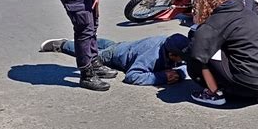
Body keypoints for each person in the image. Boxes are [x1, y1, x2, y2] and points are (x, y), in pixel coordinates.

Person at [187, 0, 258, 107]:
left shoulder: (218, 20)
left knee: (203, 49)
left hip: (246, 83)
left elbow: (197, 53)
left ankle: (214, 94)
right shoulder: (247, 12)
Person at [39, 34, 189, 86]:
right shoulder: (152, 56)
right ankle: (63, 44)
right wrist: (161, 77)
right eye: (179, 59)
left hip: (127, 47)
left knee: (109, 45)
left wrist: (180, 73)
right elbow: (132, 76)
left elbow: (186, 66)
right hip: (117, 56)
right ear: (171, 55)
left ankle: (88, 38)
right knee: (94, 54)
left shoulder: (172, 45)